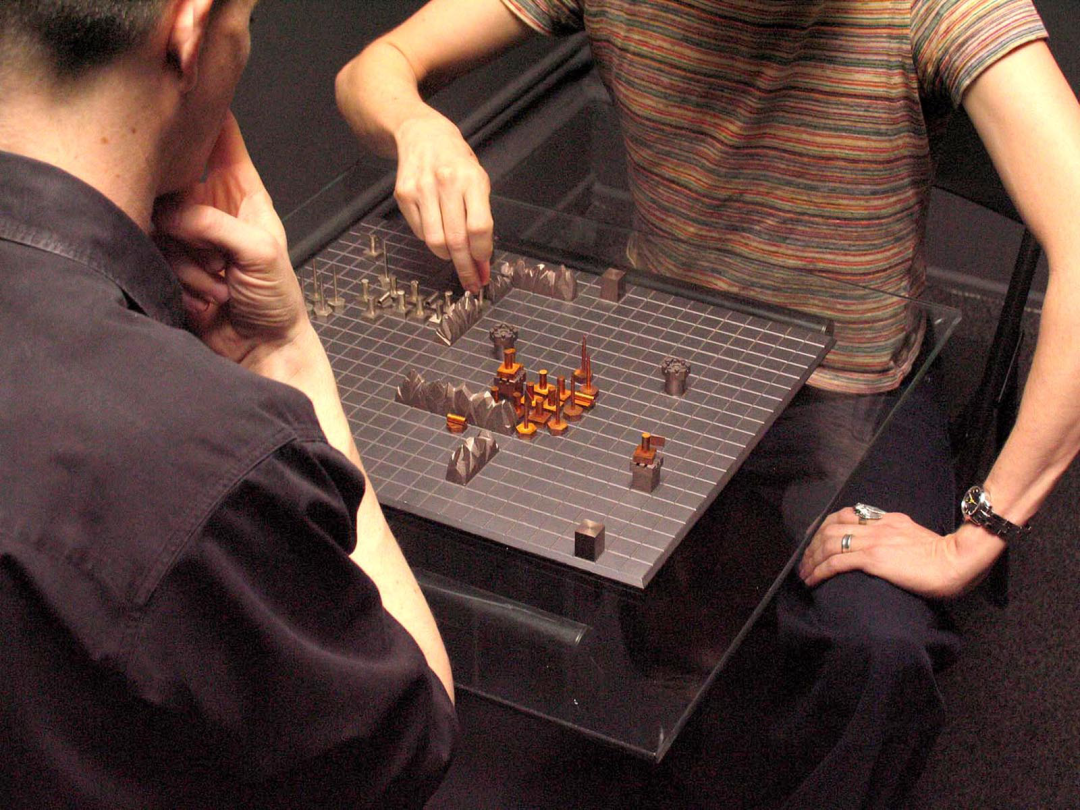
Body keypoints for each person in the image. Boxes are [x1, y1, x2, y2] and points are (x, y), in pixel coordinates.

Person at [336, 0, 1080, 806]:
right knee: (511, 555)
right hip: (668, 354)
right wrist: (415, 125)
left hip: (848, 387)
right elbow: (373, 69)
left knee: (877, 645)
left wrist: (978, 534)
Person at [0, 1, 456, 807]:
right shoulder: (204, 461)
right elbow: (409, 740)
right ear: (190, 29)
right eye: (246, 19)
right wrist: (283, 358)